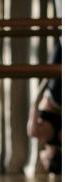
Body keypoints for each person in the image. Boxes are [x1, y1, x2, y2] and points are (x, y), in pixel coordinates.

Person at [27, 41, 62, 174]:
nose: (42, 162)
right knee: (60, 46)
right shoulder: (35, 132)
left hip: (57, 97)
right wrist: (46, 79)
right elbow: (34, 103)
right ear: (51, 158)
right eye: (46, 164)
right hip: (54, 94)